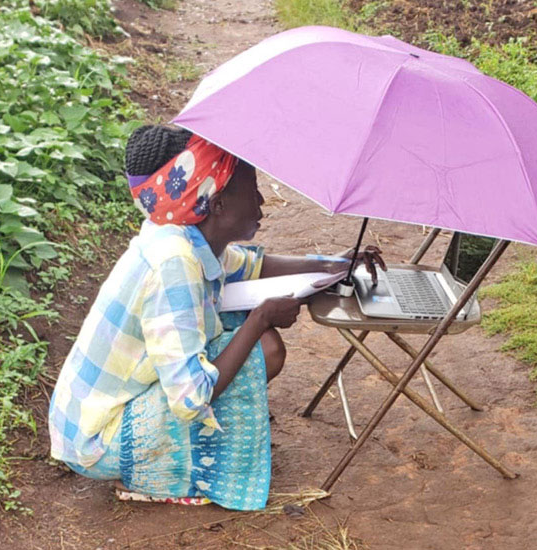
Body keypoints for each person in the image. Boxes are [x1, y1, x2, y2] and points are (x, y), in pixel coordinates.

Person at [48, 125, 384, 510]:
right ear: (218, 203)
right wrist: (259, 319)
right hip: (95, 442)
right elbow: (190, 400)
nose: (261, 201)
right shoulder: (174, 264)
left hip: (90, 418)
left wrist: (335, 264)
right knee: (263, 346)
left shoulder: (184, 235)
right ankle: (153, 475)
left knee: (254, 338)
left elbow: (253, 266)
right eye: (251, 190)